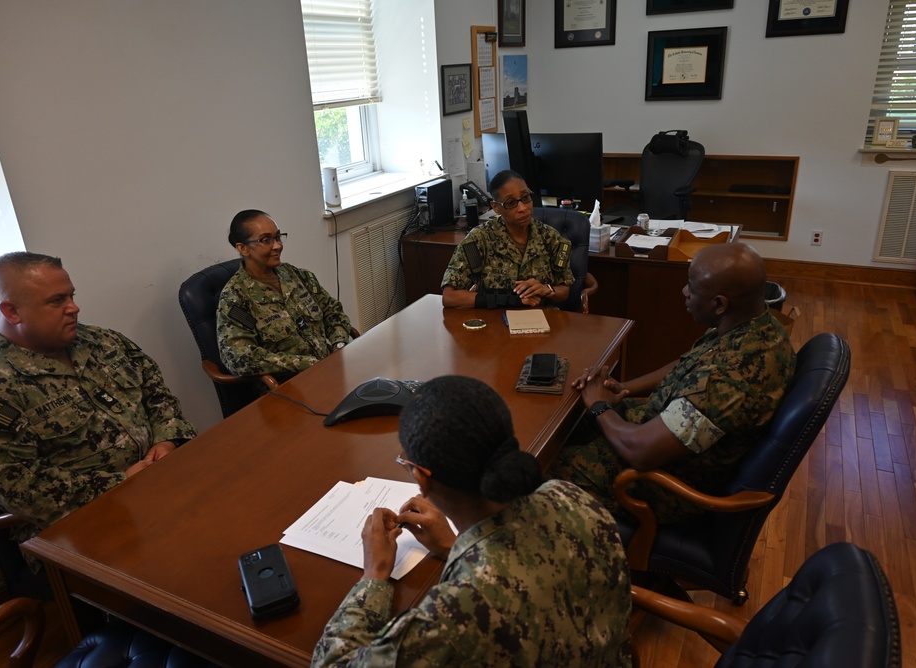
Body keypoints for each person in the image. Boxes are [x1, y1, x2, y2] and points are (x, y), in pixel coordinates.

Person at [313, 375, 631, 667]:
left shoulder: (459, 611)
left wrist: (374, 577)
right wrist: (455, 546)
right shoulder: (571, 497)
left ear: (421, 477)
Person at [0, 252, 196, 552]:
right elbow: (21, 491)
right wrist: (122, 482)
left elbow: (156, 393)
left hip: (163, 482)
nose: (74, 308)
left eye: (71, 296)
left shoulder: (101, 341)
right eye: (57, 301)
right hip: (81, 527)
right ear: (11, 311)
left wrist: (167, 440)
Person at [549, 243, 797, 524]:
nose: (684, 292)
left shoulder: (729, 380)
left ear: (719, 304)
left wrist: (599, 406)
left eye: (691, 286)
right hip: (660, 433)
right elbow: (687, 362)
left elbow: (640, 454)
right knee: (568, 421)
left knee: (540, 473)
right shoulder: (753, 324)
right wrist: (624, 388)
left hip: (664, 485)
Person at [216, 209, 354, 383]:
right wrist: (308, 364)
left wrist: (339, 344)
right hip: (289, 388)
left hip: (331, 369)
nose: (277, 245)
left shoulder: (296, 275)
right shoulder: (236, 299)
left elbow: (332, 312)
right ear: (243, 248)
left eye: (278, 237)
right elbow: (239, 358)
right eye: (266, 240)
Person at [441, 170, 574, 309]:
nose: (522, 208)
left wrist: (547, 289)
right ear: (496, 207)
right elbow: (450, 297)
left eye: (526, 197)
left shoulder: (550, 237)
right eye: (511, 203)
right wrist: (504, 300)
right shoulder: (479, 239)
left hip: (541, 319)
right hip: (494, 322)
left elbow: (564, 291)